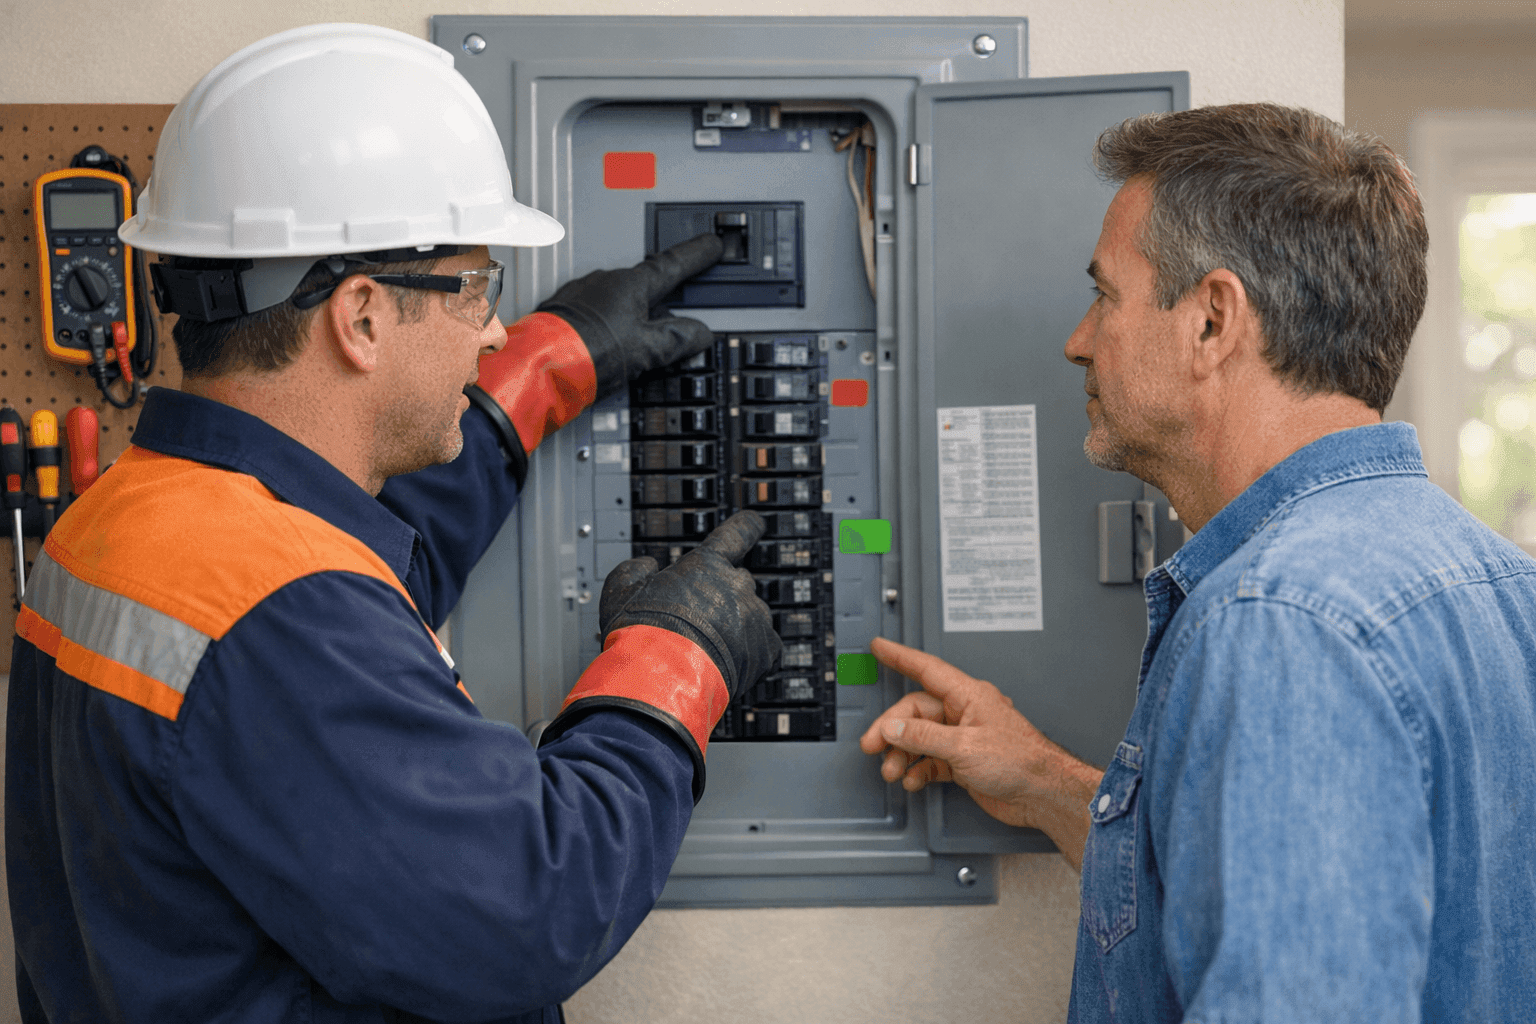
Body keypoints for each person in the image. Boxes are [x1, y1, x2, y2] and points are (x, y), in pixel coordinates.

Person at [6, 24, 780, 1024]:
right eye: (477, 289)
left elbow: (339, 561)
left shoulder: (134, 511)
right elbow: (526, 906)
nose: (493, 324)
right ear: (363, 316)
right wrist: (678, 660)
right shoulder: (276, 615)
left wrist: (535, 375)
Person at [861, 103, 1536, 1022]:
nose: (1079, 339)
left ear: (1213, 321)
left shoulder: (1279, 622)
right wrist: (1043, 780)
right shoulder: (1501, 587)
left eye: (1106, 294)